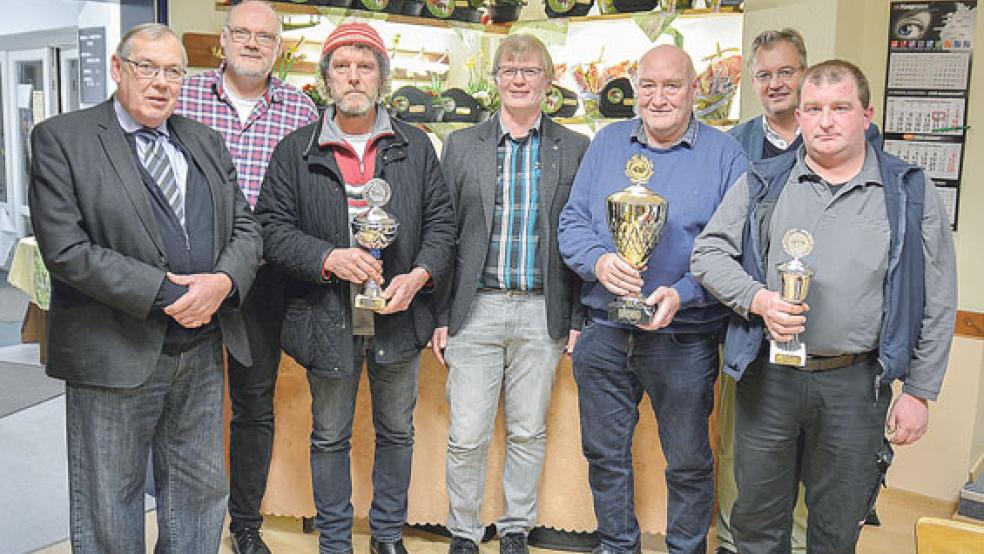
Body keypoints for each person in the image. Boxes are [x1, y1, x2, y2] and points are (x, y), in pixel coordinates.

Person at [691, 59, 956, 553]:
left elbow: (939, 299)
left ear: (866, 115)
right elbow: (707, 253)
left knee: (836, 529)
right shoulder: (764, 181)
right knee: (755, 525)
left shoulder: (908, 191)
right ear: (801, 115)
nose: (825, 120)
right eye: (812, 108)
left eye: (840, 107)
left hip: (856, 385)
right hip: (769, 380)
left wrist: (920, 391)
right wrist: (759, 299)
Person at [28, 23, 262, 553]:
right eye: (146, 68)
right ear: (118, 69)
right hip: (113, 350)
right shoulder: (63, 139)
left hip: (201, 350)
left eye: (173, 71)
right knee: (111, 498)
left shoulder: (204, 139)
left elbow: (247, 228)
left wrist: (222, 283)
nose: (161, 82)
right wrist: (169, 295)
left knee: (201, 493)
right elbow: (66, 251)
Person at [254, 22, 455, 554]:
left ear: (382, 78)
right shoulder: (295, 150)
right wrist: (328, 257)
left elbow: (441, 224)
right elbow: (271, 229)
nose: (353, 76)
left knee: (397, 433)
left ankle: (387, 536)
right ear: (326, 80)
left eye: (365, 66)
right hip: (326, 319)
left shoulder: (415, 146)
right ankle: (336, 542)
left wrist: (421, 275)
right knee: (329, 436)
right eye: (342, 66)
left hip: (399, 315)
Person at [558, 45, 747, 554]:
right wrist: (600, 261)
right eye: (648, 85)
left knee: (687, 461)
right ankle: (618, 546)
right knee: (604, 455)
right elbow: (573, 222)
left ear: (693, 91)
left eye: (672, 86)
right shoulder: (607, 142)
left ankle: (686, 550)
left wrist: (681, 295)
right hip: (605, 330)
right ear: (635, 89)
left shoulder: (725, 154)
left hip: (684, 337)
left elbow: (734, 248)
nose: (658, 97)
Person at [432, 34, 590, 554]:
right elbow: (444, 232)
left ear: (548, 80)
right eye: (508, 70)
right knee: (467, 433)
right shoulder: (462, 146)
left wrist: (576, 318)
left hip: (543, 310)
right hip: (475, 309)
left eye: (530, 70)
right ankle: (464, 531)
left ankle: (516, 527)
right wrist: (441, 315)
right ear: (495, 80)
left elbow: (580, 233)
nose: (519, 79)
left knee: (527, 431)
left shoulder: (575, 147)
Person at [175, 2, 318, 552]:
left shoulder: (301, 109)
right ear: (224, 39)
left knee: (253, 407)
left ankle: (246, 525)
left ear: (279, 46)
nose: (253, 43)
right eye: (243, 33)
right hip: (185, 278)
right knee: (183, 406)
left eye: (265, 36)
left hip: (262, 284)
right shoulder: (183, 97)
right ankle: (185, 524)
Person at [717, 27, 810, 554]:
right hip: (747, 324)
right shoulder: (733, 146)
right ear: (753, 82)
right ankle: (733, 542)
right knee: (740, 451)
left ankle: (796, 545)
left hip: (817, 334)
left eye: (785, 72)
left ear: (804, 73)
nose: (775, 83)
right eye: (764, 74)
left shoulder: (837, 136)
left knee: (804, 448)